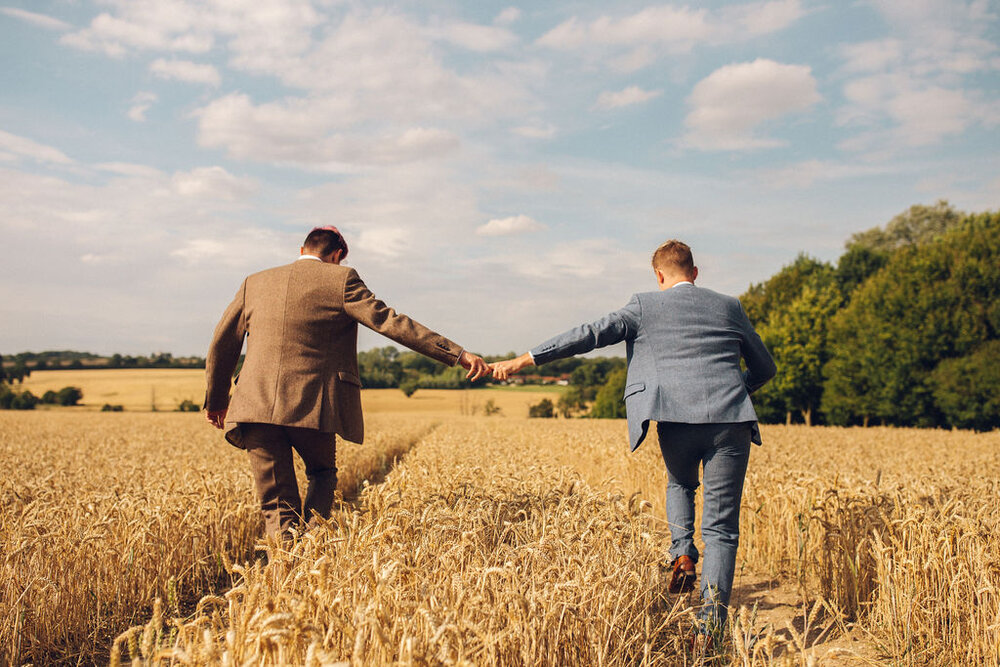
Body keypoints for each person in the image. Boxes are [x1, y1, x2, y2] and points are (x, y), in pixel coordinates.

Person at [491, 239, 776, 637]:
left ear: (659, 275)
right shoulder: (729, 306)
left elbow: (590, 334)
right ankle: (710, 633)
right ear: (694, 273)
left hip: (674, 419)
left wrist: (527, 358)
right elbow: (765, 367)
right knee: (722, 530)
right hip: (731, 422)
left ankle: (681, 553)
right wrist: (736, 390)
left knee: (680, 482)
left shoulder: (644, 304)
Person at [204, 226, 491, 538]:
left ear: (302, 251)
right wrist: (457, 354)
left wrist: (217, 401)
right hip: (311, 406)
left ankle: (284, 567)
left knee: (277, 504)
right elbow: (391, 323)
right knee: (322, 473)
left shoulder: (254, 282)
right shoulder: (341, 279)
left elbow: (222, 344)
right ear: (337, 255)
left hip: (254, 407)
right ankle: (311, 546)